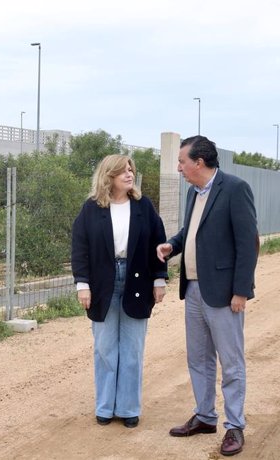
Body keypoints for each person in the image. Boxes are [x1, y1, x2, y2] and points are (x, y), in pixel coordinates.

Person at [156, 136, 258, 456]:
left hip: (225, 294)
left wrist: (241, 290)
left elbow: (247, 243)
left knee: (231, 362)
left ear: (199, 162)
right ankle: (204, 416)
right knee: (198, 359)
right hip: (195, 289)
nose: (179, 167)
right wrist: (173, 244)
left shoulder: (235, 189)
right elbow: (192, 230)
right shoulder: (193, 192)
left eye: (182, 161)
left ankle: (235, 426)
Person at [72, 154, 168, 428]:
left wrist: (159, 279)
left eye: (130, 170)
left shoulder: (143, 206)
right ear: (108, 176)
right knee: (104, 347)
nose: (129, 174)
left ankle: (128, 408)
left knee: (132, 349)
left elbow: (157, 242)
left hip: (137, 282)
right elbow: (80, 248)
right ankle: (105, 407)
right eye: (122, 171)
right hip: (102, 283)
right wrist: (82, 284)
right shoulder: (91, 209)